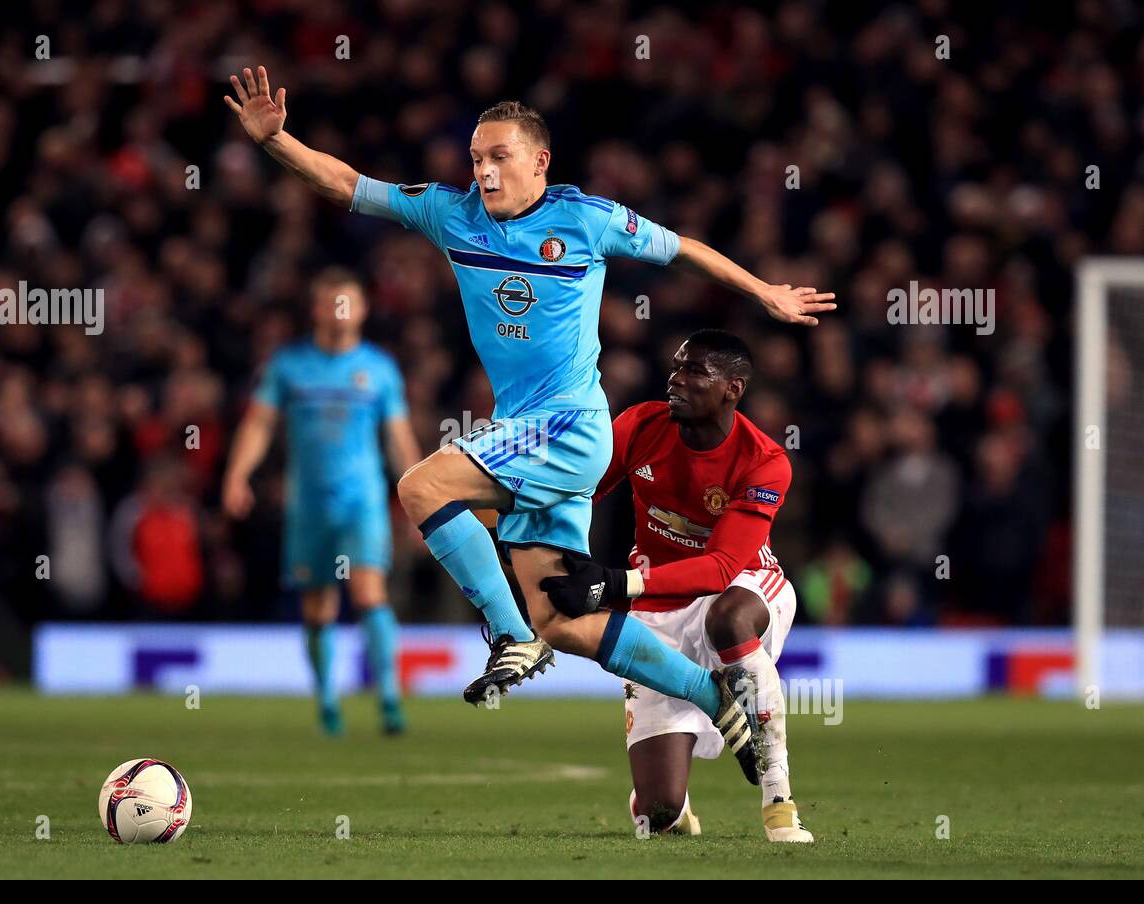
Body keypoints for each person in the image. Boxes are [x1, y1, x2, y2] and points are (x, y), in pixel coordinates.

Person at [225, 68, 835, 759]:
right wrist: (277, 142)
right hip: (527, 433)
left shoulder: (587, 219)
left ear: (540, 161)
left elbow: (682, 250)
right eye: (476, 158)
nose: (483, 172)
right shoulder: (450, 213)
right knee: (567, 618)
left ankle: (508, 634)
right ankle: (711, 696)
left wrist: (763, 293)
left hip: (571, 424)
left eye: (499, 157)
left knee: (422, 485)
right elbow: (346, 184)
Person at [541, 330, 812, 842]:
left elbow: (721, 565)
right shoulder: (642, 423)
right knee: (658, 815)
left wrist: (613, 584)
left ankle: (779, 799)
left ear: (733, 388)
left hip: (742, 585)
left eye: (695, 373)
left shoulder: (764, 461)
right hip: (655, 610)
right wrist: (545, 548)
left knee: (728, 619)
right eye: (676, 367)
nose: (677, 380)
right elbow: (582, 492)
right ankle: (677, 795)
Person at [222, 267, 421, 735]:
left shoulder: (378, 369)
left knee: (369, 591)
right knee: (317, 606)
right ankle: (328, 702)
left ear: (363, 310)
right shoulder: (289, 366)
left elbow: (398, 438)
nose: (341, 311)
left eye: (348, 302)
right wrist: (237, 475)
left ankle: (390, 699)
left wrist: (416, 495)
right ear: (315, 309)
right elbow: (258, 424)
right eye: (333, 302)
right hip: (308, 506)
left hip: (362, 501)